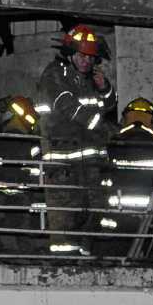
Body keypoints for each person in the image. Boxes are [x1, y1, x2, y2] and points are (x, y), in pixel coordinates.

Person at [35, 24, 117, 255]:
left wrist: (105, 88)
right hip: (63, 165)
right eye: (81, 56)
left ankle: (88, 260)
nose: (86, 61)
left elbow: (109, 105)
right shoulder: (54, 75)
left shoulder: (90, 80)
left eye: (90, 57)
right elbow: (69, 107)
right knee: (65, 222)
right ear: (69, 53)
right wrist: (105, 129)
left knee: (94, 215)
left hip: (91, 165)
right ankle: (64, 267)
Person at [97, 97, 153, 256]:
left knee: (118, 254)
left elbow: (104, 175)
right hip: (151, 214)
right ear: (152, 121)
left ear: (126, 118)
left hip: (119, 213)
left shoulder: (114, 143)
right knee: (152, 256)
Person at [0, 95, 44, 255]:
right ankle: (17, 250)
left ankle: (15, 249)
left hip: (10, 190)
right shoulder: (18, 137)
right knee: (16, 222)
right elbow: (29, 166)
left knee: (12, 222)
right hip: (17, 190)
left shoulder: (4, 137)